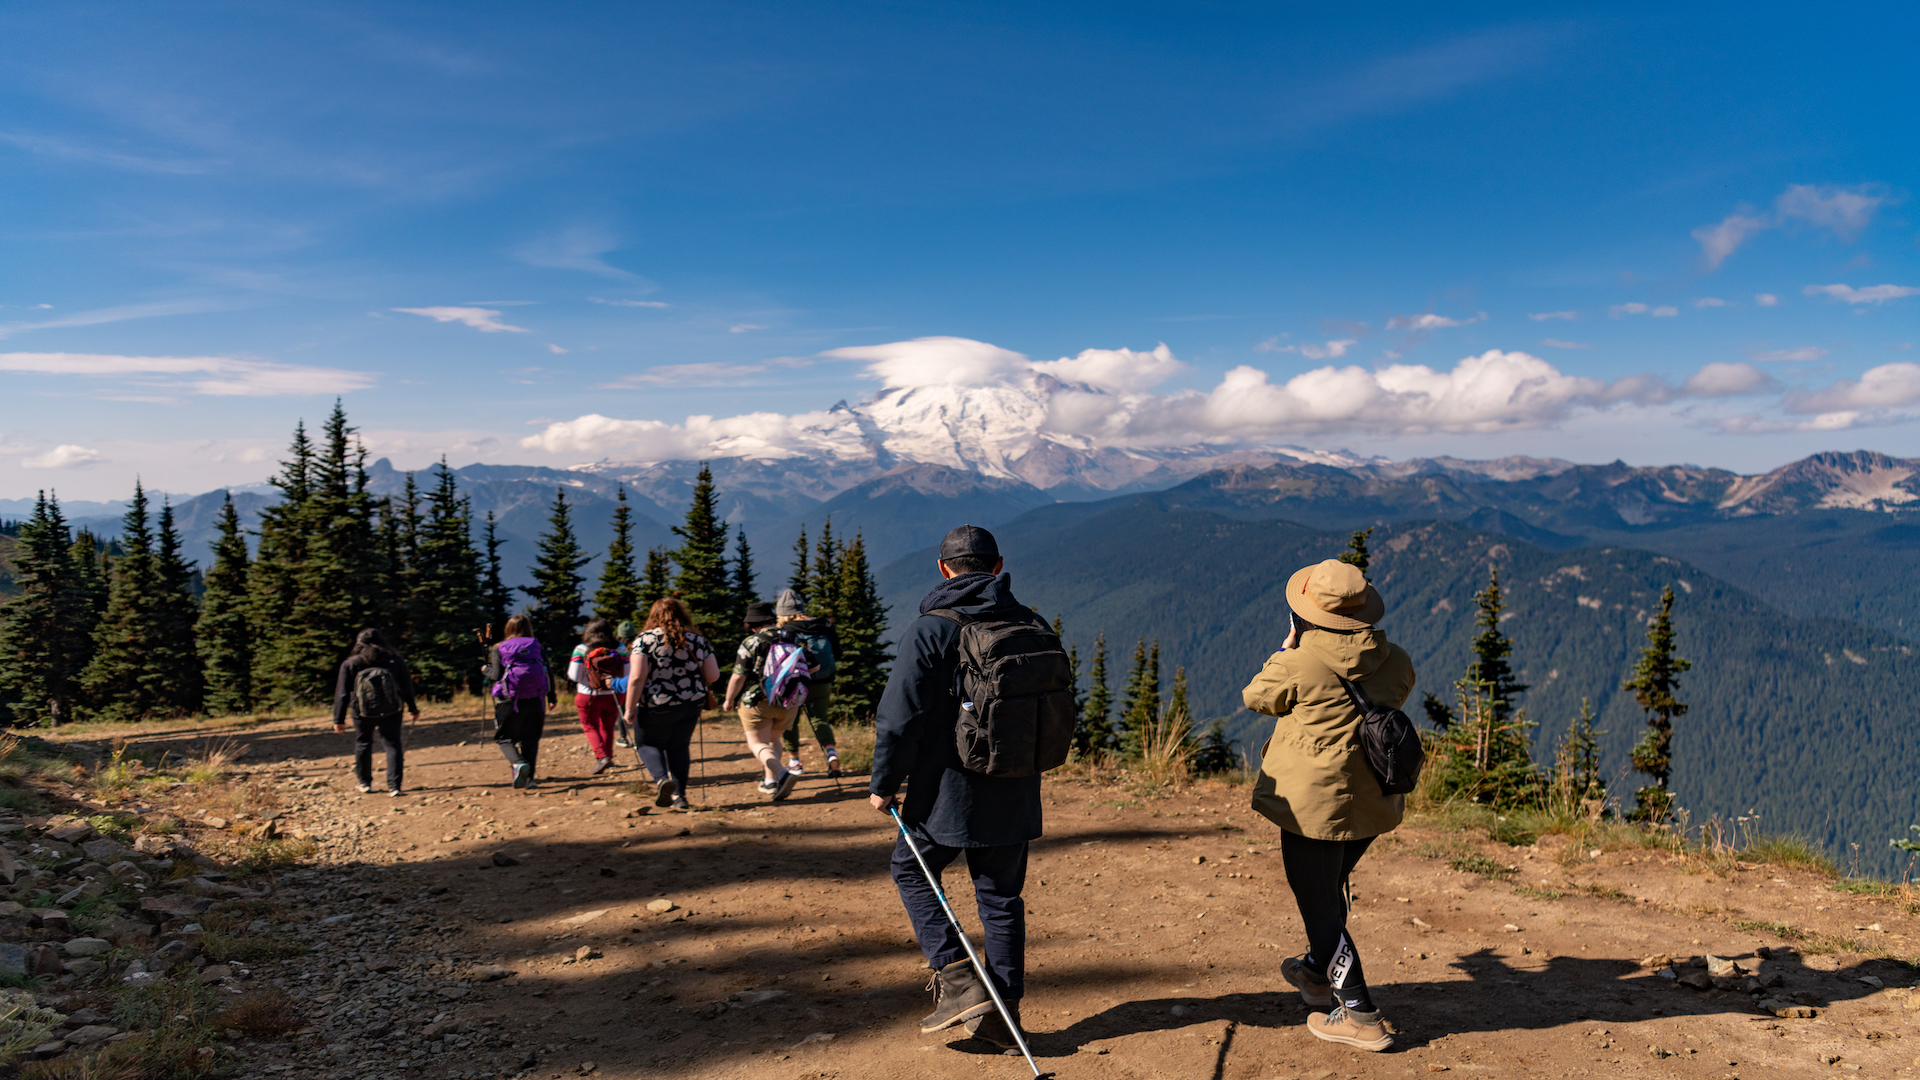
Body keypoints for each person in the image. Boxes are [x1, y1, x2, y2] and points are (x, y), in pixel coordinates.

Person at [869, 524, 1042, 1050]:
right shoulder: (1029, 622)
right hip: (1014, 783)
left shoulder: (932, 628)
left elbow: (899, 717)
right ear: (997, 565)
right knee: (1001, 897)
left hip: (947, 789)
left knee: (910, 867)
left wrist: (884, 782)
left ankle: (959, 978)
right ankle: (1004, 1018)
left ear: (943, 569)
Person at [1243, 558, 1417, 1053]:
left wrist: (1286, 651)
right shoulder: (1397, 659)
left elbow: (1256, 697)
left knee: (1317, 901)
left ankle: (1361, 1014)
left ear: (1305, 615)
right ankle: (1318, 976)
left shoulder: (1298, 661)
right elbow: (1396, 694)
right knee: (1330, 883)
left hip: (1311, 809)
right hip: (1373, 802)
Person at [624, 598, 719, 811]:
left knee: (647, 743)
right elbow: (713, 675)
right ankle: (680, 797)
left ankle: (661, 780)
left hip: (656, 703)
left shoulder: (644, 640)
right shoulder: (697, 640)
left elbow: (637, 677)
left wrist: (630, 709)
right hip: (691, 703)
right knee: (679, 746)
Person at [721, 600, 809, 801]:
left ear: (752, 624)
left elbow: (738, 675)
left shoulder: (751, 642)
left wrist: (728, 699)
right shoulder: (793, 637)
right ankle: (770, 782)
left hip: (757, 701)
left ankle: (782, 774)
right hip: (789, 700)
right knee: (773, 740)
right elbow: (812, 667)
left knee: (757, 743)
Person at [331, 628, 420, 797]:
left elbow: (342, 693)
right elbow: (407, 686)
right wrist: (413, 708)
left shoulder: (351, 663)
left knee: (363, 743)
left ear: (359, 644)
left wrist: (338, 719)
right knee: (393, 744)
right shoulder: (394, 660)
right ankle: (394, 786)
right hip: (392, 710)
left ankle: (364, 783)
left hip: (362, 712)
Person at [775, 589, 841, 778]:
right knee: (820, 718)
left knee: (791, 721)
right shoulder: (825, 625)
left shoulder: (787, 630)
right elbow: (838, 652)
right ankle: (831, 755)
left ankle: (795, 761)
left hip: (797, 682)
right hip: (823, 680)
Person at [487, 614, 553, 790]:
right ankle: (530, 780)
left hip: (509, 700)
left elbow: (496, 675)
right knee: (530, 740)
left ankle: (517, 764)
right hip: (536, 699)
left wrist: (485, 670)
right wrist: (552, 696)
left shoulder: (498, 647)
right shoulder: (536, 645)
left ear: (508, 629)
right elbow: (548, 670)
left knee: (504, 738)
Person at [568, 618, 625, 776]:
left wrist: (588, 679)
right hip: (614, 694)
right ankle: (608, 757)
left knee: (590, 726)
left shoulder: (581, 649)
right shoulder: (620, 648)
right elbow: (627, 673)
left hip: (588, 695)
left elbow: (574, 675)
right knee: (608, 726)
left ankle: (602, 757)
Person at [613, 619, 637, 749]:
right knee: (636, 708)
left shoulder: (616, 648)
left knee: (621, 709)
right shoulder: (638, 645)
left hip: (621, 683)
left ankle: (624, 737)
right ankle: (638, 737)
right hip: (637, 682)